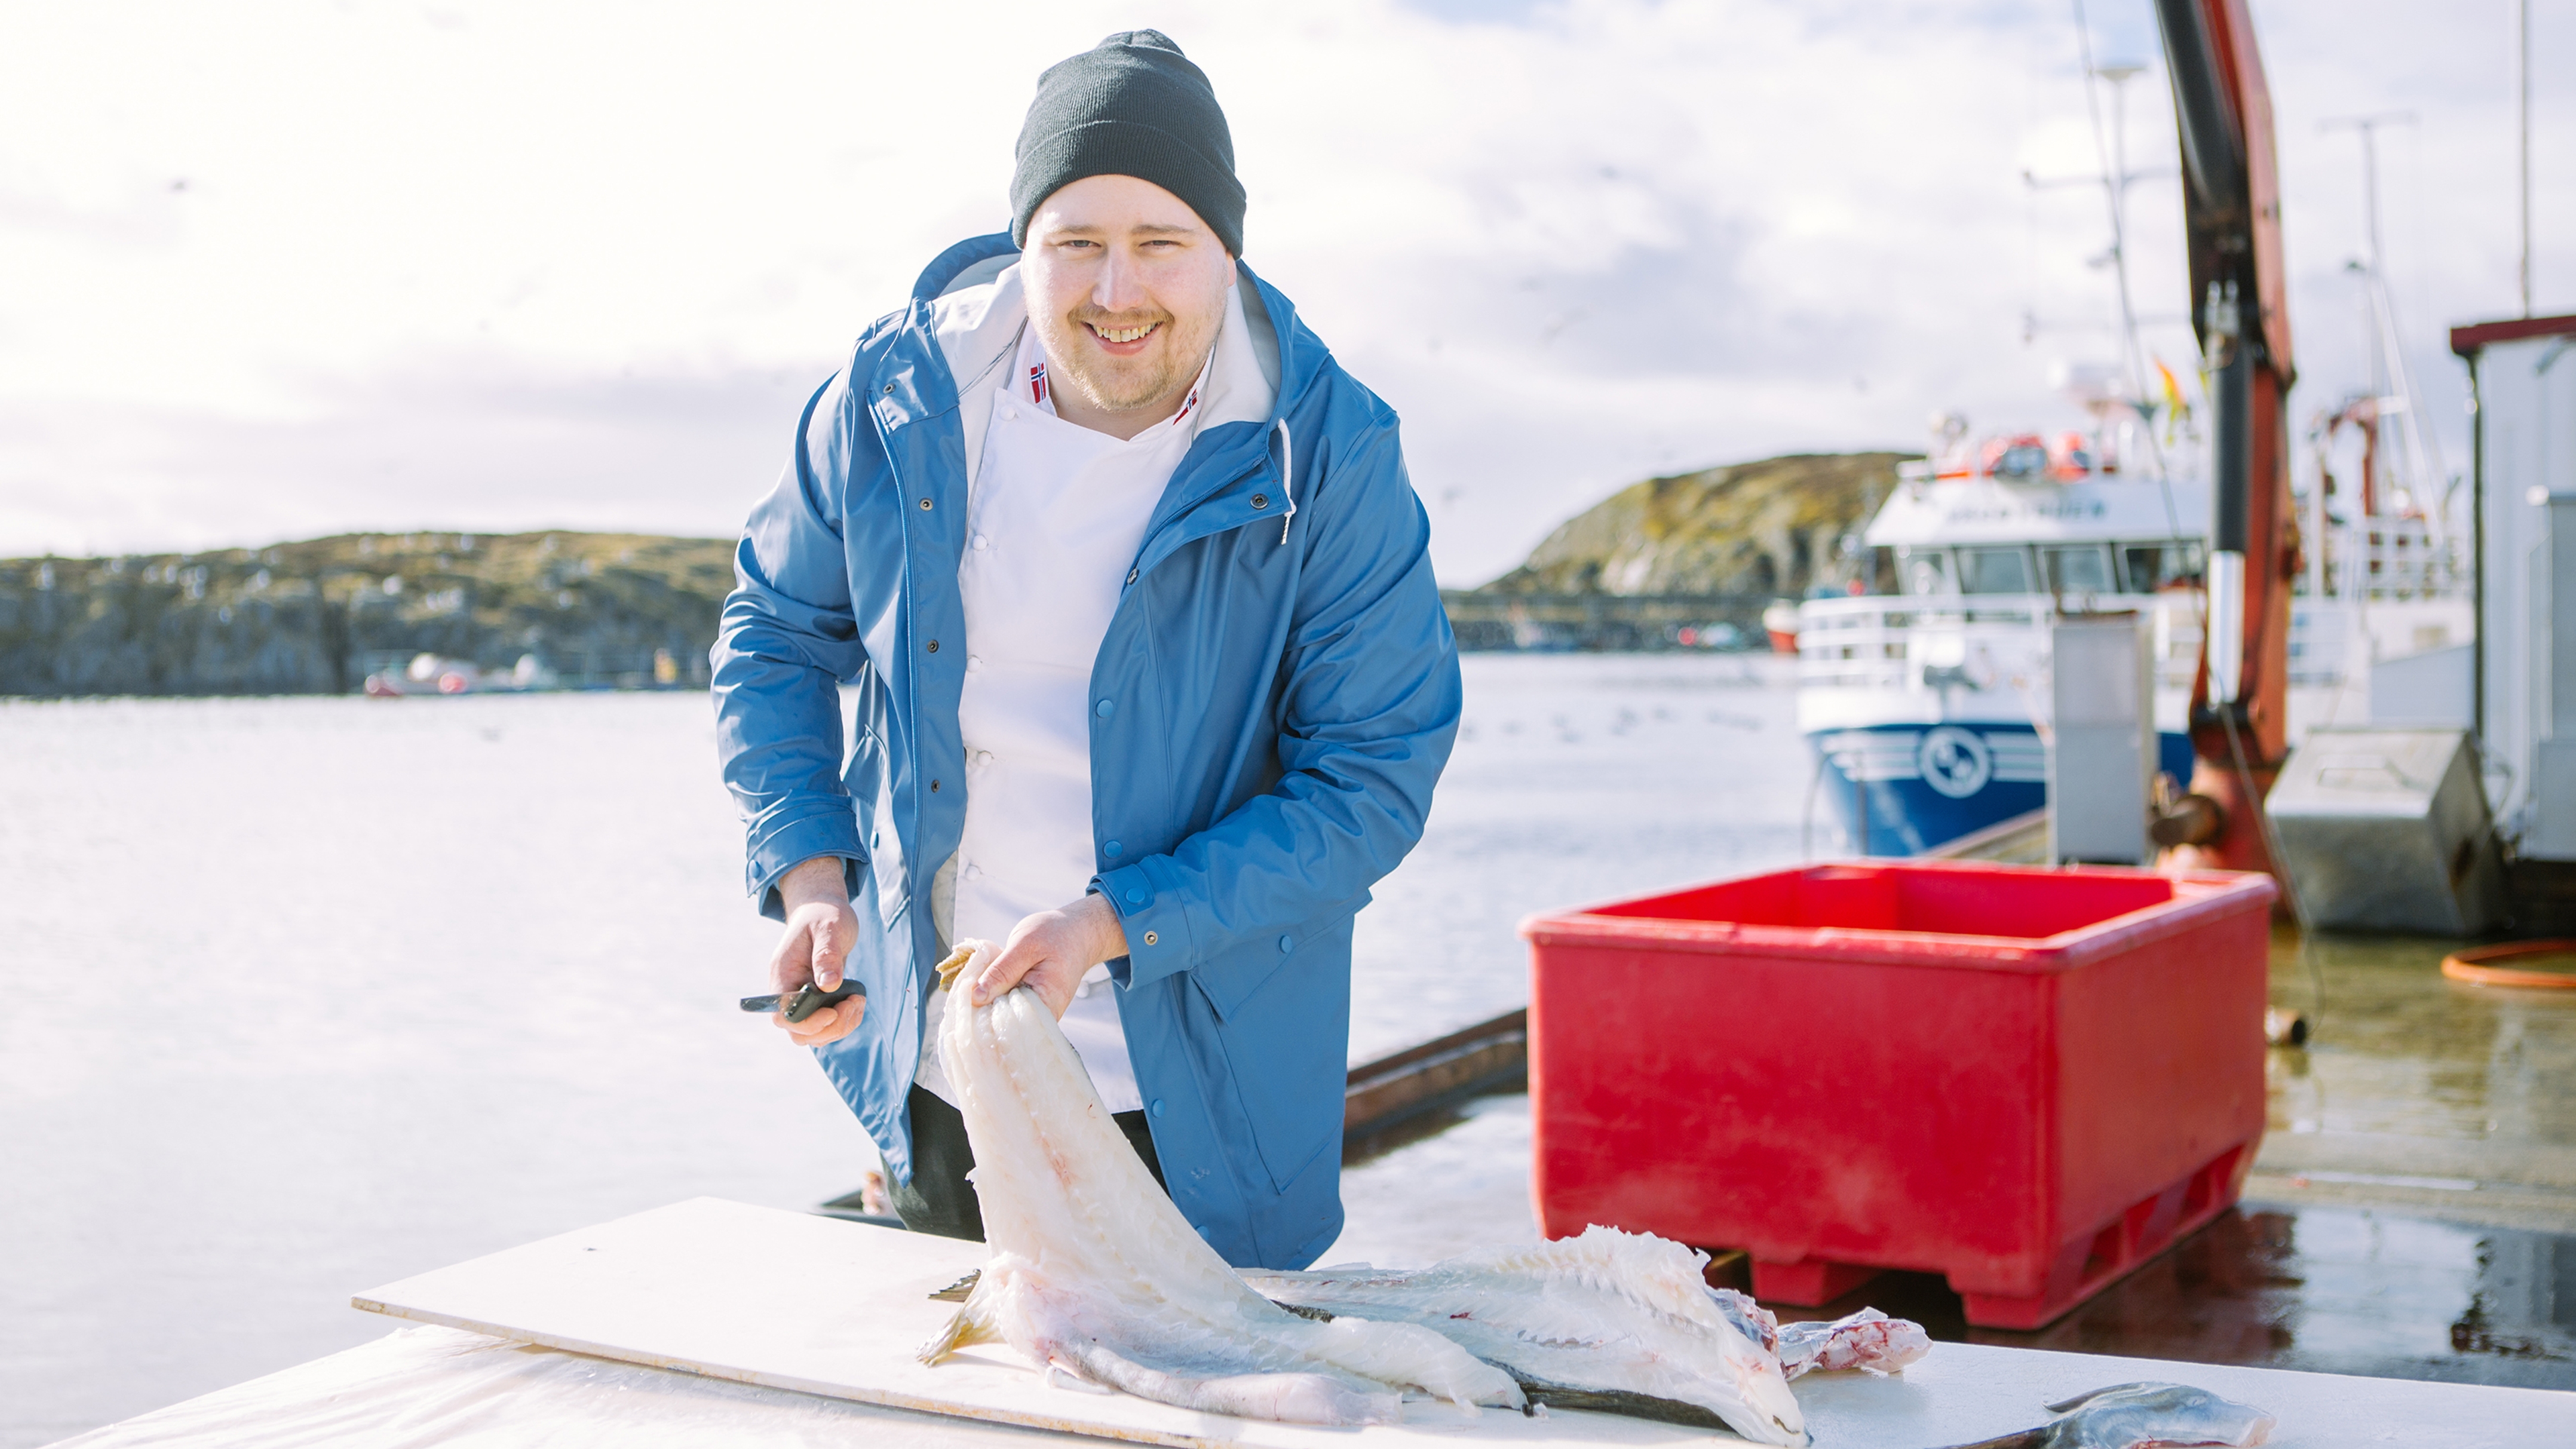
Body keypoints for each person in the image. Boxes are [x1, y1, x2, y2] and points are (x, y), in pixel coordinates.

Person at [710, 30, 1458, 1272]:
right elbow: (776, 632)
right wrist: (812, 877)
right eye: (1076, 243)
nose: (1117, 292)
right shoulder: (895, 398)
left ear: (1228, 251)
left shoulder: (1329, 452)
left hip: (1209, 1090)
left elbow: (1371, 782)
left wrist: (1112, 923)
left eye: (1161, 241)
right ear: (1026, 247)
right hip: (940, 1066)